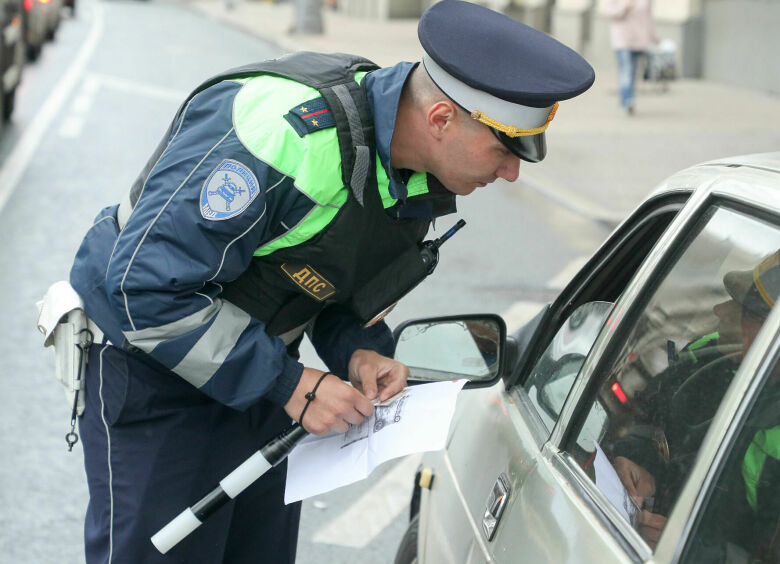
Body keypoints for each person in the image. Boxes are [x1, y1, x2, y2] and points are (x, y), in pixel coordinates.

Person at [67, 1, 595, 562]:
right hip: (159, 374)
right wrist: (292, 386)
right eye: (504, 149)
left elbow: (329, 280)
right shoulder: (281, 133)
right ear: (441, 119)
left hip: (266, 372)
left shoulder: (416, 162)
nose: (512, 172)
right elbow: (143, 288)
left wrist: (360, 352)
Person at [612, 252, 780, 550]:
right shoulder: (711, 358)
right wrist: (642, 466)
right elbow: (648, 420)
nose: (721, 309)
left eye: (747, 311)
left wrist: (690, 549)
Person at [604, 0, 658, 115]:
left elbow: (649, 17)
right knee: (626, 70)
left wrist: (653, 37)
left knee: (633, 73)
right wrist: (624, 7)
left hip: (640, 40)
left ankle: (627, 99)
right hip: (622, 40)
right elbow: (609, 12)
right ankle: (628, 101)